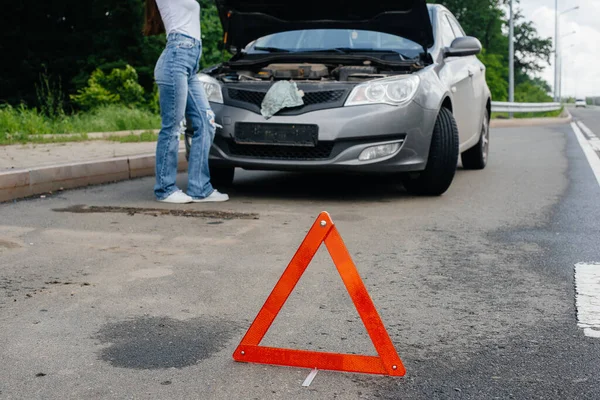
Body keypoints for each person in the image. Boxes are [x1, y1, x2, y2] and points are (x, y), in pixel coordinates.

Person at [144, 0, 229, 203]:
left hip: (190, 62)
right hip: (175, 59)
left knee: (206, 123)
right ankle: (165, 189)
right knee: (173, 126)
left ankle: (200, 188)